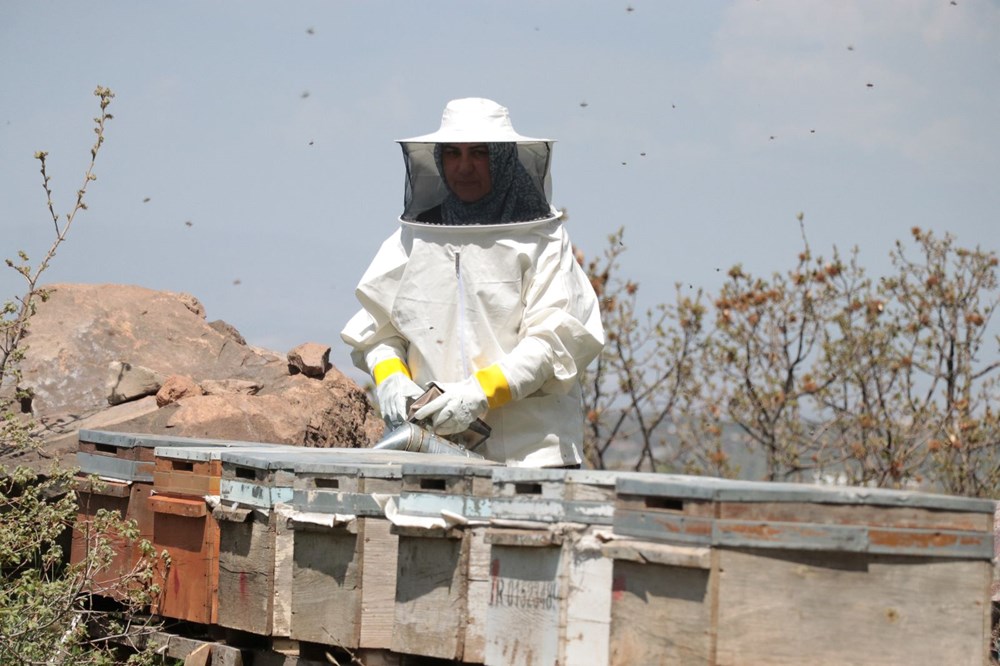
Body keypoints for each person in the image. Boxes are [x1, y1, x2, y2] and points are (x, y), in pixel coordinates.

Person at [341, 98, 604, 467]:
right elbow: (378, 331)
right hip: (433, 453)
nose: (464, 167)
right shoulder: (413, 239)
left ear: (503, 159)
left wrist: (482, 391)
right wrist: (390, 377)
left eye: (479, 153)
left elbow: (554, 340)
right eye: (453, 154)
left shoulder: (542, 240)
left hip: (532, 455)